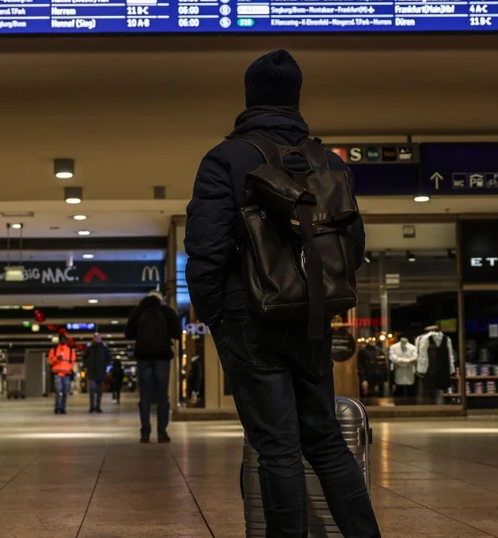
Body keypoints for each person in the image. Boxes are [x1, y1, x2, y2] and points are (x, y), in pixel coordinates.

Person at [185, 50, 380, 537]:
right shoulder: (327, 161)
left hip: (248, 316)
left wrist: (216, 314)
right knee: (325, 439)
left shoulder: (226, 158)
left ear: (250, 97)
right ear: (295, 98)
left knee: (276, 446)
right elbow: (353, 247)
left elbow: (206, 248)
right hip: (311, 317)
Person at [126, 290, 180, 443]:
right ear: (161, 300)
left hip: (143, 358)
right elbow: (177, 333)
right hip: (162, 358)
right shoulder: (167, 312)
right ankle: (162, 433)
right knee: (163, 396)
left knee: (145, 397)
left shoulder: (137, 312)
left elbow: (128, 333)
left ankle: (145, 433)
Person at [48, 330, 77, 414]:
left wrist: (68, 368)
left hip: (67, 374)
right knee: (58, 391)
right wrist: (57, 358)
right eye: (61, 339)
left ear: (66, 340)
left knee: (65, 392)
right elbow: (50, 361)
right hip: (57, 373)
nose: (63, 341)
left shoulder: (71, 351)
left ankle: (63, 408)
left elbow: (72, 362)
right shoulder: (54, 350)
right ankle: (57, 407)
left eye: (64, 339)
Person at [83, 332, 112, 413]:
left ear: (100, 339)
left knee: (99, 391)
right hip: (92, 372)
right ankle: (92, 406)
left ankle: (98, 406)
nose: (97, 339)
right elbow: (84, 357)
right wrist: (87, 365)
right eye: (95, 338)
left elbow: (109, 358)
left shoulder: (104, 348)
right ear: (93, 339)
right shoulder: (89, 348)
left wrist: (105, 365)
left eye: (98, 338)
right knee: (92, 389)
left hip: (101, 372)